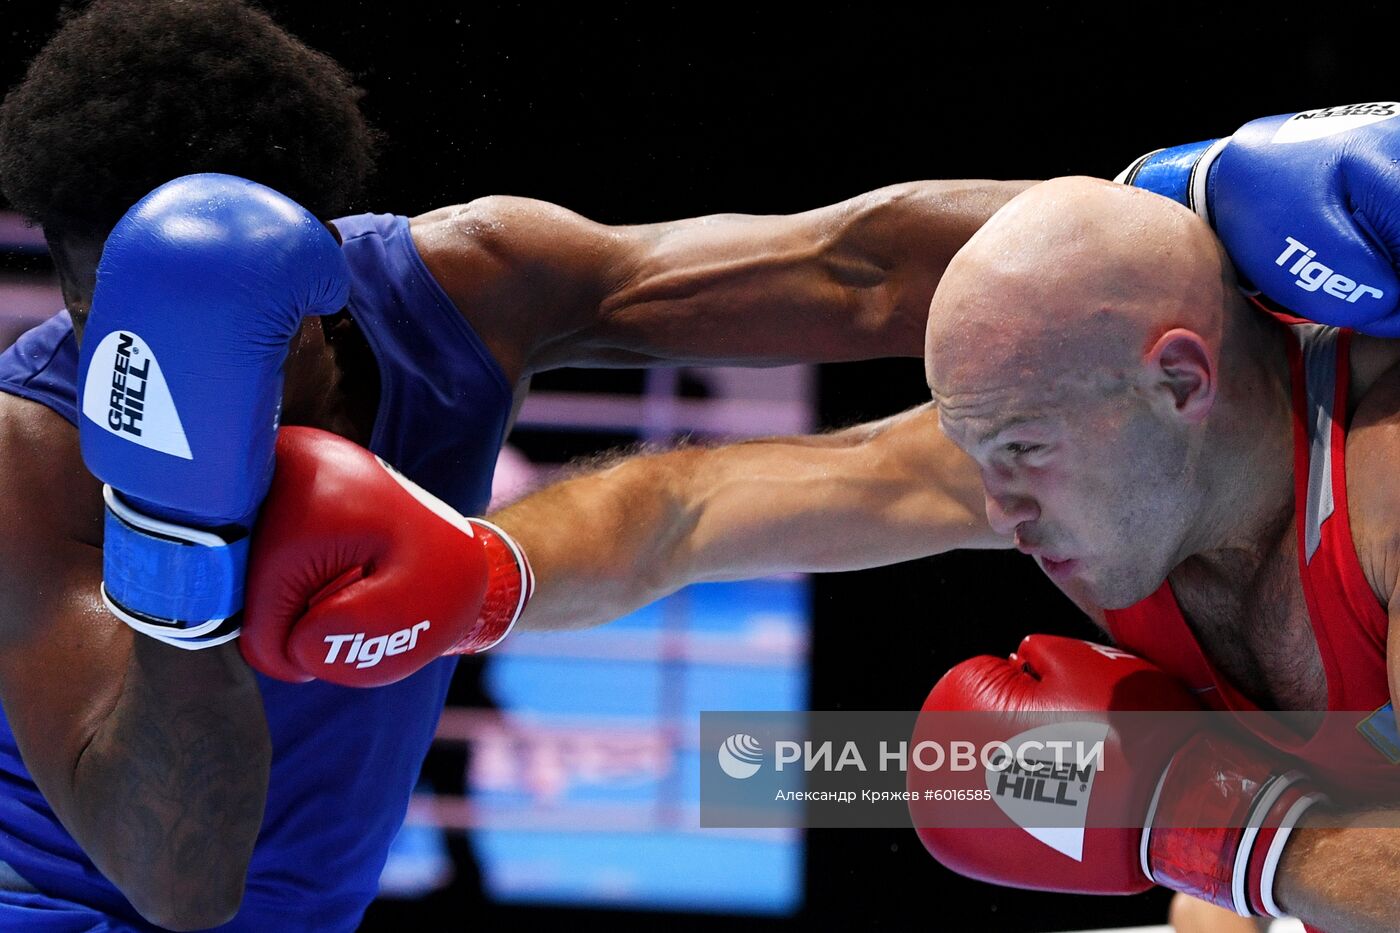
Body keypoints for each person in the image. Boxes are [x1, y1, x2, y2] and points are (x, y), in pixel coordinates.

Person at [0, 1, 1034, 929]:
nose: (132, 350)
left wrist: (1154, 215)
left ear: (308, 258)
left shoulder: (458, 289)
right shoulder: (30, 453)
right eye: (101, 309)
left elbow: (851, 269)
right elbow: (178, 887)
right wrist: (179, 527)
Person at [471, 178, 1400, 932]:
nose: (997, 504)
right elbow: (685, 508)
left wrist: (1200, 827)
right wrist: (469, 577)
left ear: (1179, 380)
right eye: (976, 449)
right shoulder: (1086, 460)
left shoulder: (1383, 493)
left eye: (1025, 447)